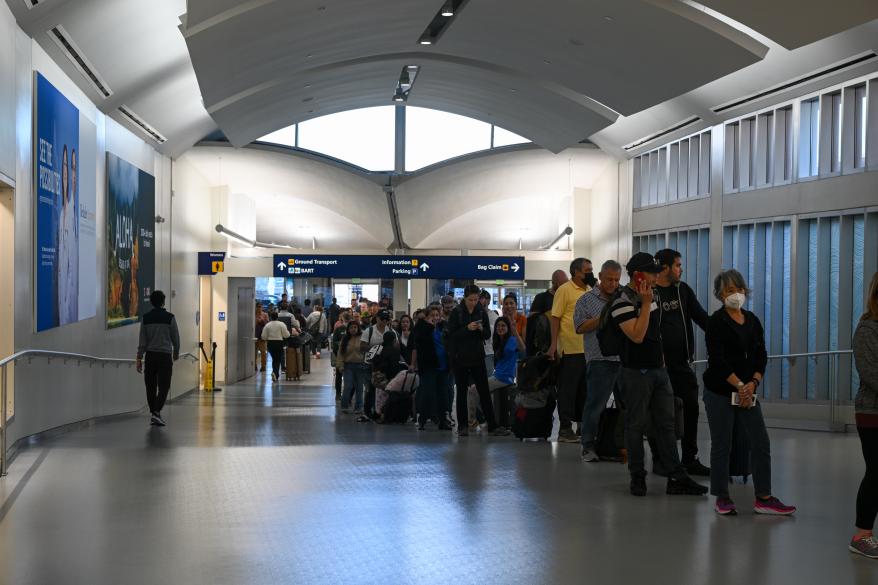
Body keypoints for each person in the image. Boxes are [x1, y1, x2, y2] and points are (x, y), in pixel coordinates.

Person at [611, 252, 707, 496]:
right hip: (635, 373)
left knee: (667, 424)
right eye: (651, 272)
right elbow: (637, 335)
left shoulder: (650, 296)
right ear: (637, 275)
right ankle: (638, 476)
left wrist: (662, 360)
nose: (656, 276)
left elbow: (655, 332)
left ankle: (676, 476)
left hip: (658, 370)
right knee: (636, 425)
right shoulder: (622, 301)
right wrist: (644, 304)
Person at [703, 269, 795, 516]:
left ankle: (764, 496)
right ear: (720, 295)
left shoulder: (752, 320)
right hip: (720, 390)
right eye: (730, 290)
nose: (736, 294)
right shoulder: (715, 322)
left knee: (760, 441)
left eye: (739, 289)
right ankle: (722, 496)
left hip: (748, 390)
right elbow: (717, 360)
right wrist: (740, 385)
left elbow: (761, 355)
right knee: (722, 444)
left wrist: (753, 383)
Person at [653, 249, 710, 476]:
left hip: (682, 364)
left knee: (691, 410)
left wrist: (724, 331)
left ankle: (689, 458)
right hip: (658, 366)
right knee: (661, 414)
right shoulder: (650, 293)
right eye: (677, 265)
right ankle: (662, 459)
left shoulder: (683, 290)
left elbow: (701, 317)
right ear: (665, 268)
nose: (681, 269)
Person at [574, 260, 622, 462]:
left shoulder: (624, 298)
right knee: (595, 404)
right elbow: (580, 327)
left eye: (617, 280)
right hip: (599, 359)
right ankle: (588, 445)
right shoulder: (586, 300)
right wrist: (606, 314)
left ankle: (623, 444)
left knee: (627, 405)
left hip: (624, 359)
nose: (613, 284)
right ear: (600, 277)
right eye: (609, 279)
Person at [446, 285, 510, 437]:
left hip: (477, 357)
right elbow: (451, 335)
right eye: (470, 300)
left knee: (484, 392)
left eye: (476, 299)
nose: (473, 302)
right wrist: (466, 329)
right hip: (460, 358)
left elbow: (487, 335)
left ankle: (492, 425)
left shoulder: (481, 311)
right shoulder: (457, 312)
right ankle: (463, 425)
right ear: (465, 298)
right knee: (461, 392)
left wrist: (481, 329)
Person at [548, 258, 593, 442]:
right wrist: (553, 346)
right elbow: (555, 318)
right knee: (568, 390)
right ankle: (565, 429)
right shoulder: (564, 290)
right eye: (587, 270)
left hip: (589, 350)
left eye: (591, 269)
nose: (590, 273)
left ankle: (583, 426)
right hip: (570, 349)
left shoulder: (591, 291)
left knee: (585, 390)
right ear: (576, 272)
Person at [851, 271, 878, 558]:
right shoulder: (867, 329)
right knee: (876, 473)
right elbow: (871, 373)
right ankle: (862, 535)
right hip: (872, 413)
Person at [136, 290, 180, 427]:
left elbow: (142, 340)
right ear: (163, 302)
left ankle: (154, 413)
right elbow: (176, 338)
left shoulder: (146, 318)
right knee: (164, 386)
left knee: (150, 386)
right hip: (164, 357)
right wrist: (176, 352)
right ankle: (156, 412)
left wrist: (139, 357)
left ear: (151, 302)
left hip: (150, 356)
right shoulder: (170, 318)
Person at [411, 306, 452, 430]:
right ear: (427, 317)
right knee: (427, 393)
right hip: (428, 367)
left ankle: (443, 420)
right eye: (432, 315)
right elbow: (418, 344)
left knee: (443, 394)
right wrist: (429, 326)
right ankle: (423, 419)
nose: (435, 317)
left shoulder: (444, 327)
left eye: (437, 315)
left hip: (443, 366)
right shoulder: (422, 328)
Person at [360, 309, 397, 419]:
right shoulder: (369, 331)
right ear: (377, 318)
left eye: (387, 319)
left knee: (383, 390)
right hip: (370, 365)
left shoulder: (391, 331)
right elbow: (362, 347)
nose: (384, 321)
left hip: (385, 366)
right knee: (371, 389)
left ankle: (380, 411)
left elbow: (396, 346)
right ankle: (367, 412)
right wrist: (376, 349)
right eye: (382, 319)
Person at [489, 316, 525, 428]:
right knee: (476, 392)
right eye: (498, 326)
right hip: (498, 376)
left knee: (474, 391)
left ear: (508, 328)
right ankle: (487, 417)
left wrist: (515, 332)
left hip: (505, 378)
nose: (500, 328)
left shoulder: (512, 340)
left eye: (503, 326)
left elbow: (523, 349)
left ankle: (477, 420)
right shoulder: (497, 341)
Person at [338, 321, 367, 414]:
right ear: (348, 329)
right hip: (348, 366)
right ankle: (344, 405)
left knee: (359, 388)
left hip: (360, 366)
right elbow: (340, 353)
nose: (353, 329)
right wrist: (340, 365)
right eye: (351, 327)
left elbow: (366, 352)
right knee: (348, 386)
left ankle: (359, 407)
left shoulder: (363, 338)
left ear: (358, 328)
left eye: (355, 327)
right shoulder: (345, 339)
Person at [261, 311, 290, 382]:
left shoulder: (267, 325)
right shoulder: (281, 324)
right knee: (277, 359)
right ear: (277, 317)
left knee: (275, 359)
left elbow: (263, 337)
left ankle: (275, 374)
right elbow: (286, 335)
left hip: (270, 344)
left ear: (270, 317)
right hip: (279, 343)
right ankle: (275, 373)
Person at [255, 303, 269, 372]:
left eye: (260, 307)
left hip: (262, 336)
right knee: (254, 352)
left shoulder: (265, 315)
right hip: (254, 335)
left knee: (263, 352)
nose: (259, 308)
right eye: (258, 307)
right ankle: (254, 365)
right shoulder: (253, 314)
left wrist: (262, 320)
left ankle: (263, 366)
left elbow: (267, 324)